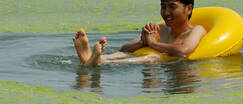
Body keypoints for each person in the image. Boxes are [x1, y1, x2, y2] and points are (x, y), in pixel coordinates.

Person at [72, 0, 207, 66]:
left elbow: (183, 51)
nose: (166, 13)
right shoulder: (161, 29)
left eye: (172, 7)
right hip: (158, 72)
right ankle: (91, 57)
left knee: (153, 58)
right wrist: (143, 41)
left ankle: (99, 61)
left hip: (182, 72)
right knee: (122, 53)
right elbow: (124, 48)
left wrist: (153, 42)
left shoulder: (197, 30)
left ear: (188, 9)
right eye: (163, 6)